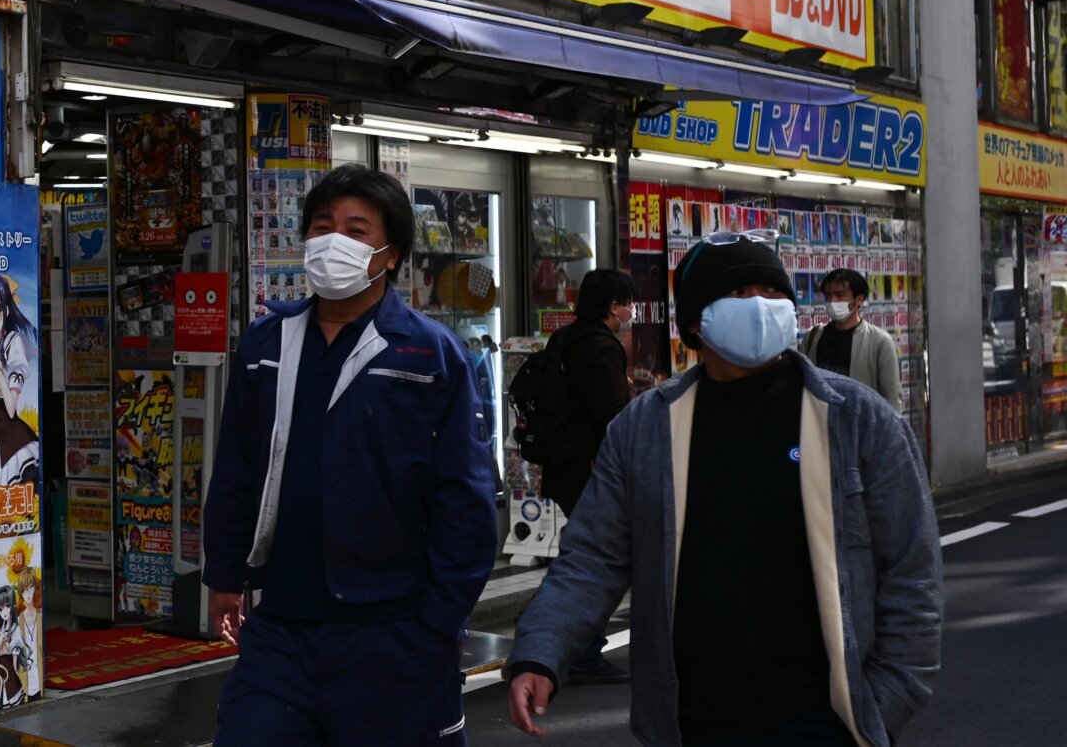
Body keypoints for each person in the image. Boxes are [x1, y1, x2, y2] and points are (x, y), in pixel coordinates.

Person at [507, 229, 942, 747]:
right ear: (696, 321)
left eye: (772, 292)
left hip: (825, 722)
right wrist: (540, 650)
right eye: (738, 294)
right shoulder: (645, 429)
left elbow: (912, 572)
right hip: (689, 721)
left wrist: (880, 707)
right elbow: (593, 557)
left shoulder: (859, 422)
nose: (760, 306)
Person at [204, 164, 497, 746]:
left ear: (390, 255)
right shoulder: (268, 342)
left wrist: (439, 626)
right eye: (322, 225)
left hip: (392, 628)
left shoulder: (429, 353)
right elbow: (238, 467)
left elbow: (465, 497)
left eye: (356, 229)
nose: (333, 239)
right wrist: (224, 574)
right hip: (282, 625)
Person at [537, 267, 636, 687]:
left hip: (563, 465)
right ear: (614, 306)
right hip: (592, 470)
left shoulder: (566, 338)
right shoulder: (601, 347)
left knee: (583, 554)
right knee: (598, 559)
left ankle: (569, 640)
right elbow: (613, 413)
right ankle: (580, 647)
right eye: (628, 302)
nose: (631, 310)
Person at [801, 268, 903, 410]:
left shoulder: (880, 341)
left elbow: (892, 399)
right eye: (828, 296)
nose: (832, 301)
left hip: (861, 427)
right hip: (821, 425)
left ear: (858, 300)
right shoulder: (813, 336)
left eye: (839, 295)